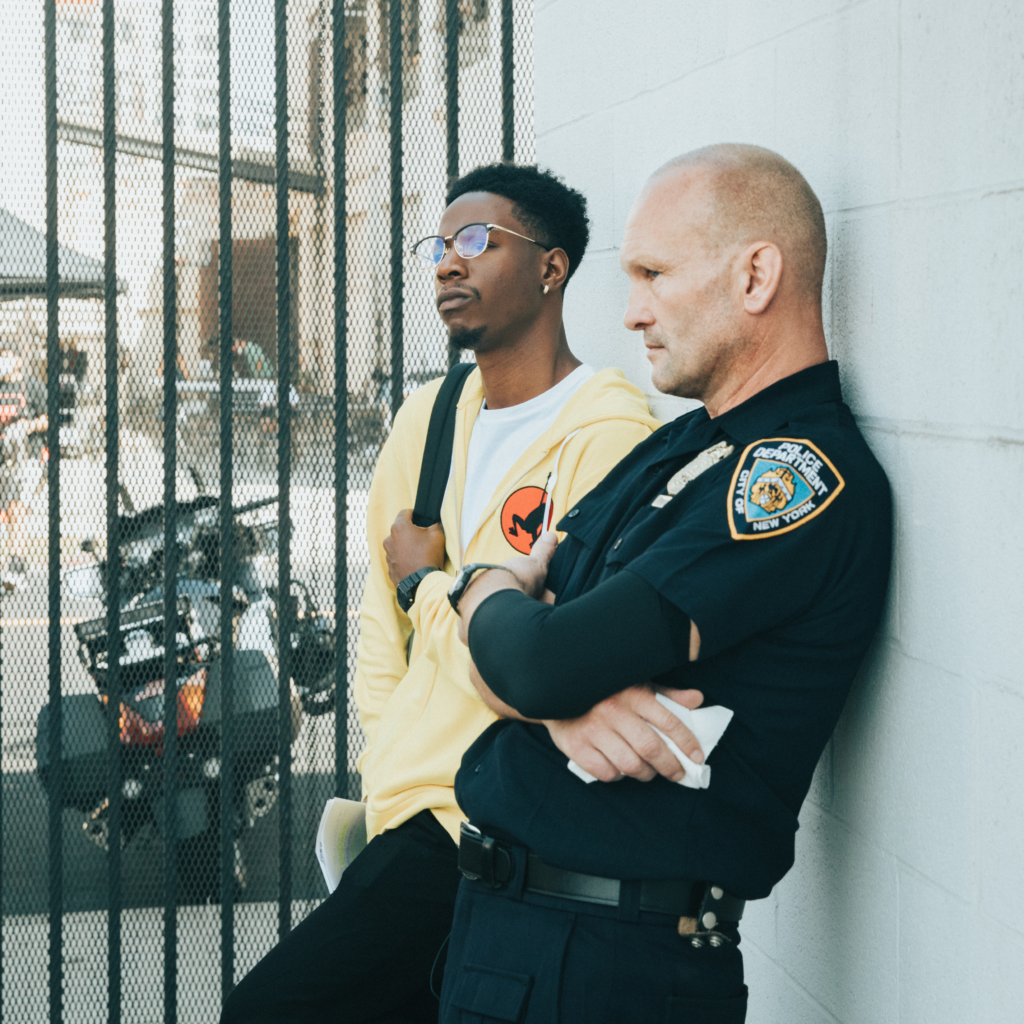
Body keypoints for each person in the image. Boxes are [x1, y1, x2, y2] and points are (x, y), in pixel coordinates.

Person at [427, 144, 892, 1023]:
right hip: (514, 934)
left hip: (610, 962)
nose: (631, 311)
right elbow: (515, 656)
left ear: (755, 276)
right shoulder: (683, 443)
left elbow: (534, 654)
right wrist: (549, 692)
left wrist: (491, 598)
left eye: (653, 274)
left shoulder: (797, 476)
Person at [221, 162, 659, 1023]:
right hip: (409, 814)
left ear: (552, 266)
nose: (448, 263)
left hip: (500, 814)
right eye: (440, 245)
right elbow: (380, 621)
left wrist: (428, 584)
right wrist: (390, 757)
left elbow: (542, 656)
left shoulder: (607, 438)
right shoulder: (428, 417)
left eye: (477, 240)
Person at [0, 352, 47, 589]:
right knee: (8, 510)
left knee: (17, 506)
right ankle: (12, 563)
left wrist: (28, 426)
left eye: (8, 355)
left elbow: (49, 419)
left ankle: (16, 564)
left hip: (29, 456)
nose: (4, 360)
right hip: (5, 458)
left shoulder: (33, 386)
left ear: (19, 359)